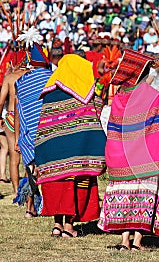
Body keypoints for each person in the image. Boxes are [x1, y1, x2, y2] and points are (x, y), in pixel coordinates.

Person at [98, 50, 159, 251]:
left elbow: (113, 129)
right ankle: (137, 241)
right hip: (145, 159)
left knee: (127, 196)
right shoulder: (153, 96)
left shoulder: (118, 98)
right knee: (143, 195)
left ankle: (124, 240)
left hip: (122, 156)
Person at [35, 53, 106, 237]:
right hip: (79, 151)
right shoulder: (85, 94)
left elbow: (44, 123)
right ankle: (69, 226)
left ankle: (57, 225)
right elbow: (98, 108)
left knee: (57, 184)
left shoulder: (49, 95)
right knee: (76, 186)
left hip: (52, 152)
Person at [13, 28, 53, 218]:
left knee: (31, 171)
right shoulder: (51, 78)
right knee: (46, 170)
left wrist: (18, 137)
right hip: (47, 131)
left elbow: (19, 111)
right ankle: (45, 204)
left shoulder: (21, 82)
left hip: (28, 132)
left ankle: (30, 208)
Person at [0, 47, 26, 197]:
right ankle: (30, 191)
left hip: (10, 117)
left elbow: (1, 100)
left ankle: (17, 191)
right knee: (30, 157)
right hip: (27, 116)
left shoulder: (9, 78)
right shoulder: (30, 75)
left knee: (13, 155)